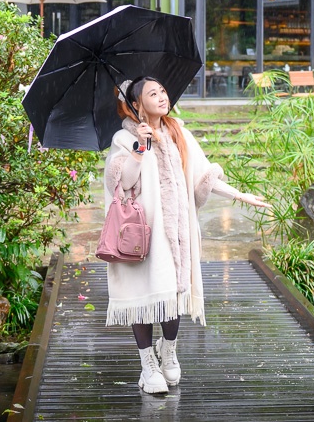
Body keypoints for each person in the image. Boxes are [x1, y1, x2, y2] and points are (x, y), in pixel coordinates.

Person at [104, 76, 270, 395]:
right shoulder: (124, 139)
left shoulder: (179, 132)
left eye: (164, 90)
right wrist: (140, 147)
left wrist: (240, 195)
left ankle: (168, 351)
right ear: (136, 104)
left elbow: (201, 176)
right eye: (153, 93)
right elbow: (121, 183)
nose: (163, 96)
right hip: (143, 233)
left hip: (178, 231)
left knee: (174, 293)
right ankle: (147, 363)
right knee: (144, 297)